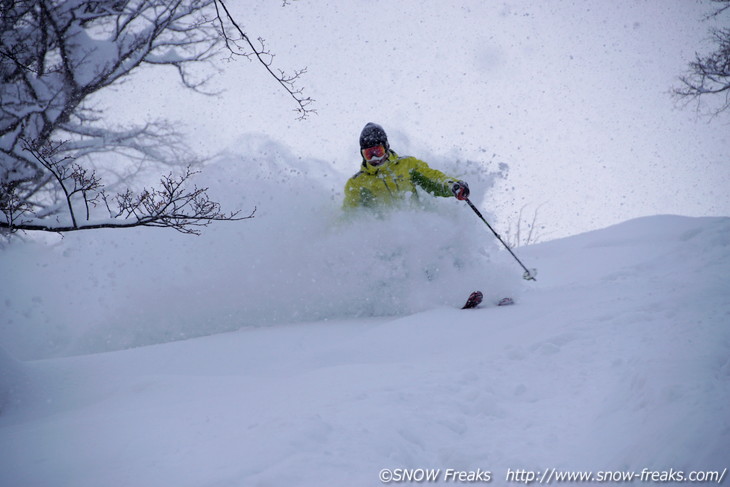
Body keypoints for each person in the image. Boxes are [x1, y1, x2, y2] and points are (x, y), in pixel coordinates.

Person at [342, 123, 470, 210]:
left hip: (415, 227)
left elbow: (432, 178)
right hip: (383, 238)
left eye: (378, 152)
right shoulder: (357, 183)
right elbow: (351, 213)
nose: (375, 159)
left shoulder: (407, 164)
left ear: (386, 147)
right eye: (369, 154)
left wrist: (452, 185)